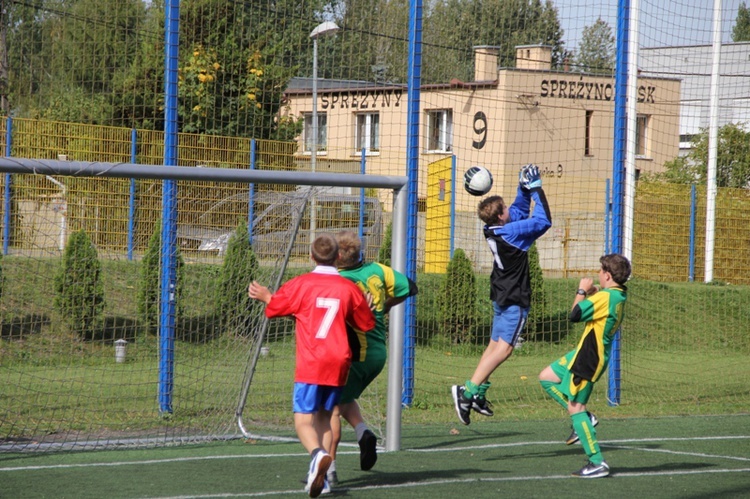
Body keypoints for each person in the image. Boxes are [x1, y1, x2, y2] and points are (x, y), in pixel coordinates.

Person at [248, 233, 375, 498]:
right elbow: (366, 324)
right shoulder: (348, 288)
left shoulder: (301, 284)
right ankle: (324, 479)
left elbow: (275, 309)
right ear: (338, 256)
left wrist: (266, 296)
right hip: (339, 360)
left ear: (311, 256)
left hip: (312, 361)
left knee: (303, 422)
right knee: (326, 418)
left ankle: (317, 456)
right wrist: (368, 306)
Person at [451, 164, 552, 425]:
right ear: (500, 217)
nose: (510, 209)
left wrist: (522, 186)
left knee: (495, 345)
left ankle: (478, 393)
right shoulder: (510, 232)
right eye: (505, 208)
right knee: (505, 350)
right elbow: (543, 221)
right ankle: (467, 391)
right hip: (515, 297)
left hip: (500, 292)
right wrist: (536, 187)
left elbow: (518, 209)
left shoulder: (494, 228)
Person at [323, 230, 418, 485]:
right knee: (345, 398)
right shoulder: (377, 270)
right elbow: (410, 287)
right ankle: (363, 432)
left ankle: (329, 469)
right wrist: (386, 305)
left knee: (330, 409)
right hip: (377, 354)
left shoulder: (339, 282)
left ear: (337, 255)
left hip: (354, 355)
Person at [538, 253, 631, 478]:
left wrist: (581, 290)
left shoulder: (607, 297)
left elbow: (575, 314)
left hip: (589, 358)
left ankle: (597, 461)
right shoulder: (617, 295)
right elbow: (603, 301)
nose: (597, 274)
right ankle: (585, 418)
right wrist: (595, 292)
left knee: (575, 408)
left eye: (600, 271)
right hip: (582, 352)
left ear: (607, 275)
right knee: (547, 377)